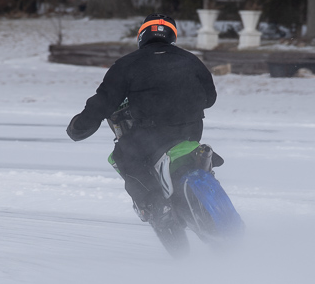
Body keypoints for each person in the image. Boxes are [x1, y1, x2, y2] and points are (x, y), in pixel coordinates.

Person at [66, 14, 217, 226]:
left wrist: (79, 126)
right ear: (172, 35)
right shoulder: (190, 59)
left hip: (152, 134)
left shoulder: (127, 64)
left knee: (125, 156)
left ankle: (155, 205)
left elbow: (104, 101)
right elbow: (210, 98)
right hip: (191, 131)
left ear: (142, 35)